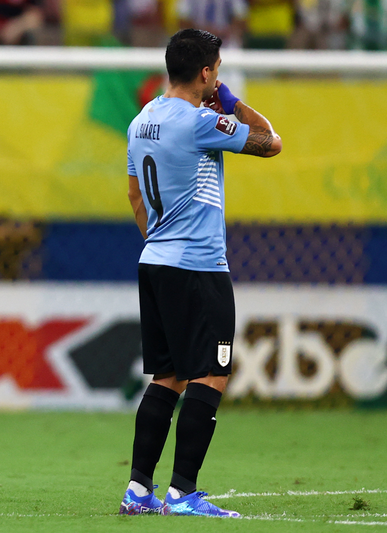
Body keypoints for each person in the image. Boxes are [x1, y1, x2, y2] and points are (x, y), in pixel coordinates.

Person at [119, 29, 281, 518]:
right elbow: (271, 142)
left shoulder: (140, 121)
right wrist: (231, 102)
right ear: (207, 73)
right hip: (199, 265)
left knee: (167, 376)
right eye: (218, 71)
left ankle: (138, 491)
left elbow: (133, 194)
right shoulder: (200, 121)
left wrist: (159, 242)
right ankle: (183, 492)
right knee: (211, 373)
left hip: (156, 261)